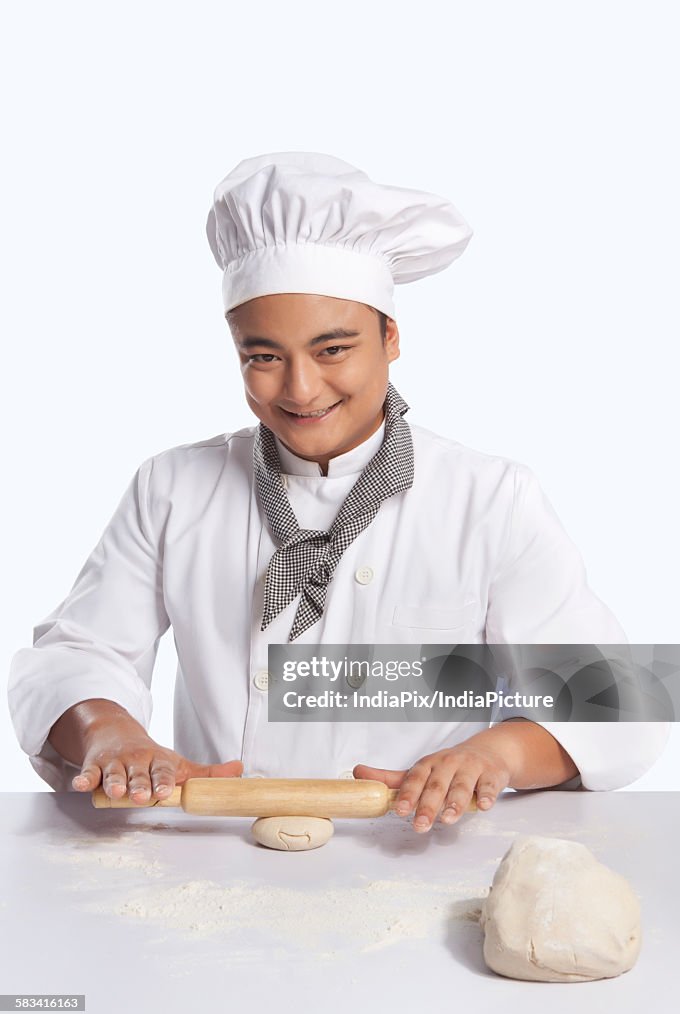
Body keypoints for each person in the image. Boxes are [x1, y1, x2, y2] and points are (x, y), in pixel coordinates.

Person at [7, 152, 669, 833]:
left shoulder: (490, 499)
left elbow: (615, 701)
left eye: (333, 350)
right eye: (263, 356)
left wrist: (492, 754)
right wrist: (110, 737)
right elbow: (77, 655)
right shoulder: (172, 488)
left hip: (412, 855)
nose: (298, 389)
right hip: (214, 855)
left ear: (390, 337)